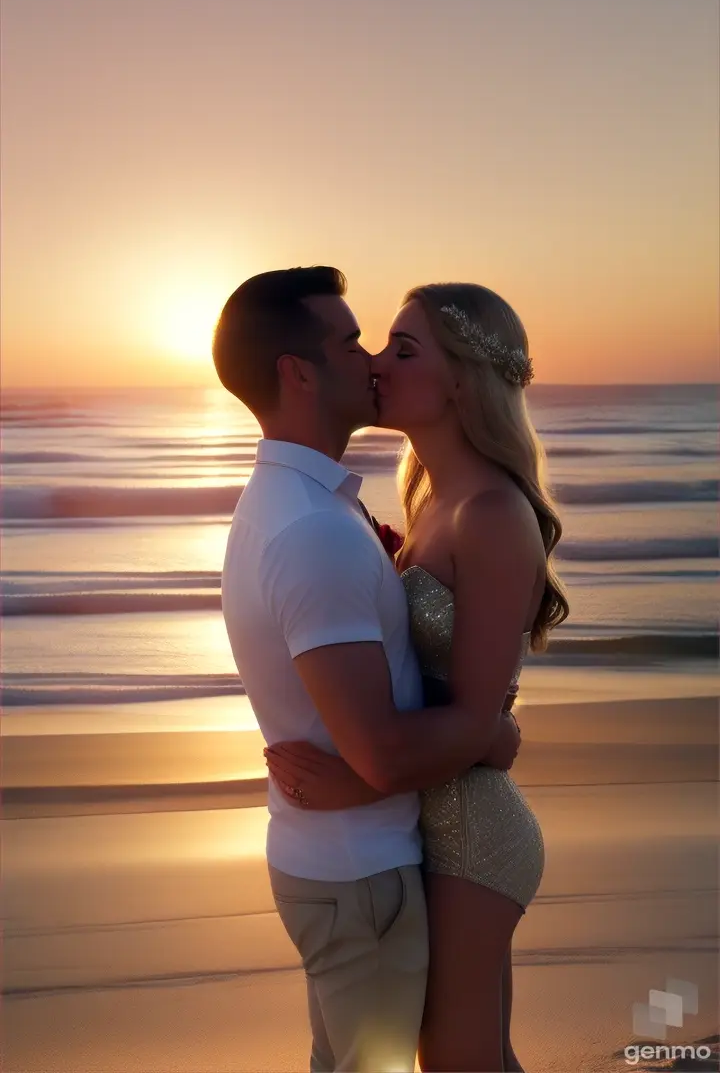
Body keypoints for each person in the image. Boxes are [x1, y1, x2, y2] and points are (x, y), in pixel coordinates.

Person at [211, 268, 521, 1073]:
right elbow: (405, 736)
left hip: (414, 839)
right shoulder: (318, 526)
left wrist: (491, 734)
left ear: (460, 379)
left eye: (394, 346)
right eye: (354, 342)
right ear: (298, 371)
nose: (373, 360)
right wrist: (487, 733)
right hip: (363, 865)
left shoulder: (302, 508)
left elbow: (439, 721)